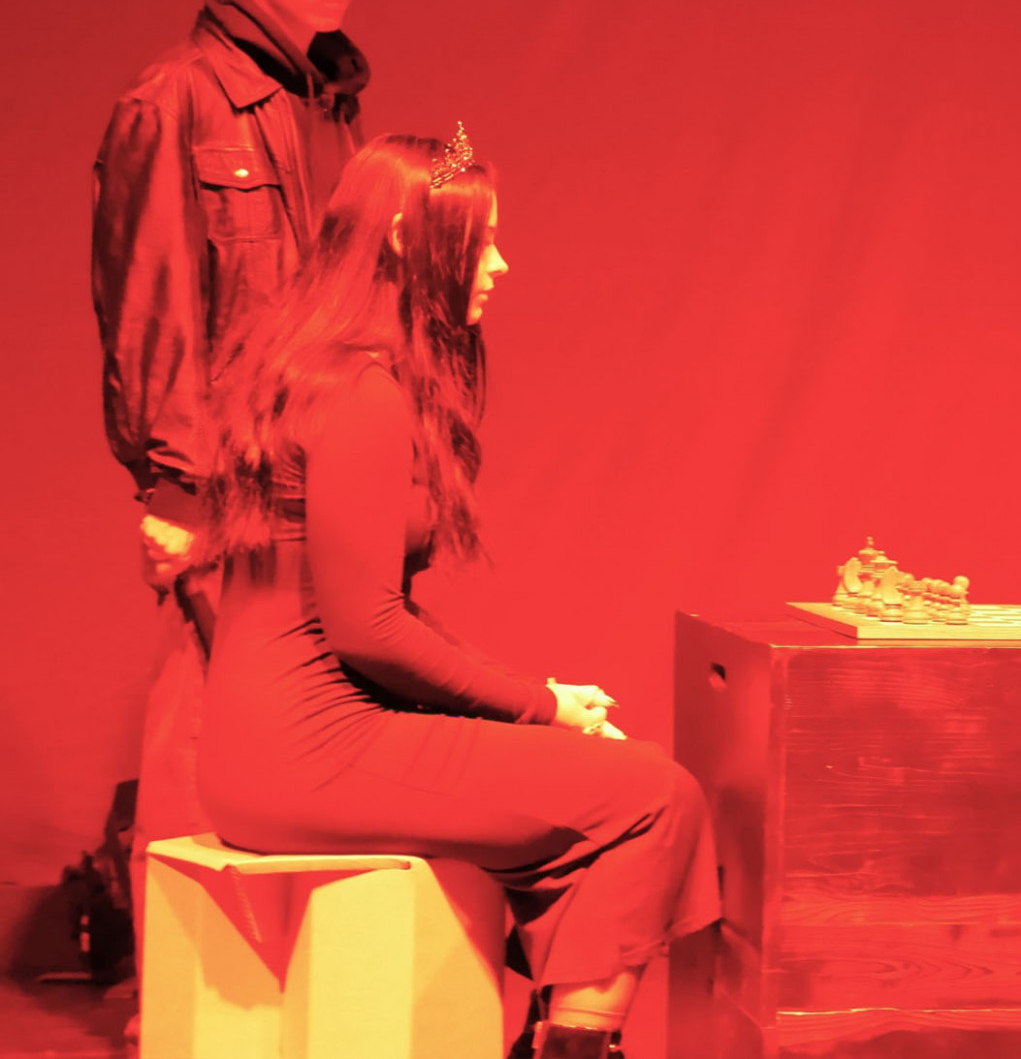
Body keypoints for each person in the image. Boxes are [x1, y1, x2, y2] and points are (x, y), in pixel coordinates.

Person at [201, 131, 719, 1059]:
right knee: (655, 796)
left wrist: (536, 703)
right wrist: (540, 706)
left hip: (267, 743)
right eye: (481, 241)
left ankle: (553, 1034)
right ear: (408, 240)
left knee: (599, 785)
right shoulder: (360, 390)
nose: (500, 264)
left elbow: (367, 616)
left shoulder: (310, 366)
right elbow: (369, 630)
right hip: (307, 749)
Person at [89, 0, 399, 998]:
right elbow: (151, 305)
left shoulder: (330, 102)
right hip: (228, 476)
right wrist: (175, 493)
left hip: (326, 463)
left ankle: (290, 1000)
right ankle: (182, 1004)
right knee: (204, 730)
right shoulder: (177, 101)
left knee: (307, 726)